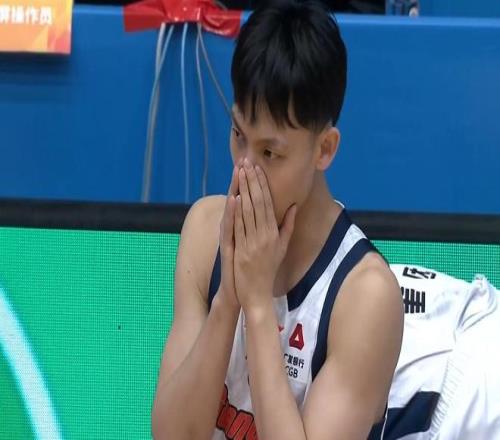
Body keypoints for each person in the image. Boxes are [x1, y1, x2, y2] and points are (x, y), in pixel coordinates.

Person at [151, 1, 404, 439]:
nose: (244, 169)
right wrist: (228, 299)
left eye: (270, 152)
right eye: (238, 136)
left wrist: (257, 308)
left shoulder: (365, 299)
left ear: (324, 149)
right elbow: (171, 435)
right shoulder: (205, 232)